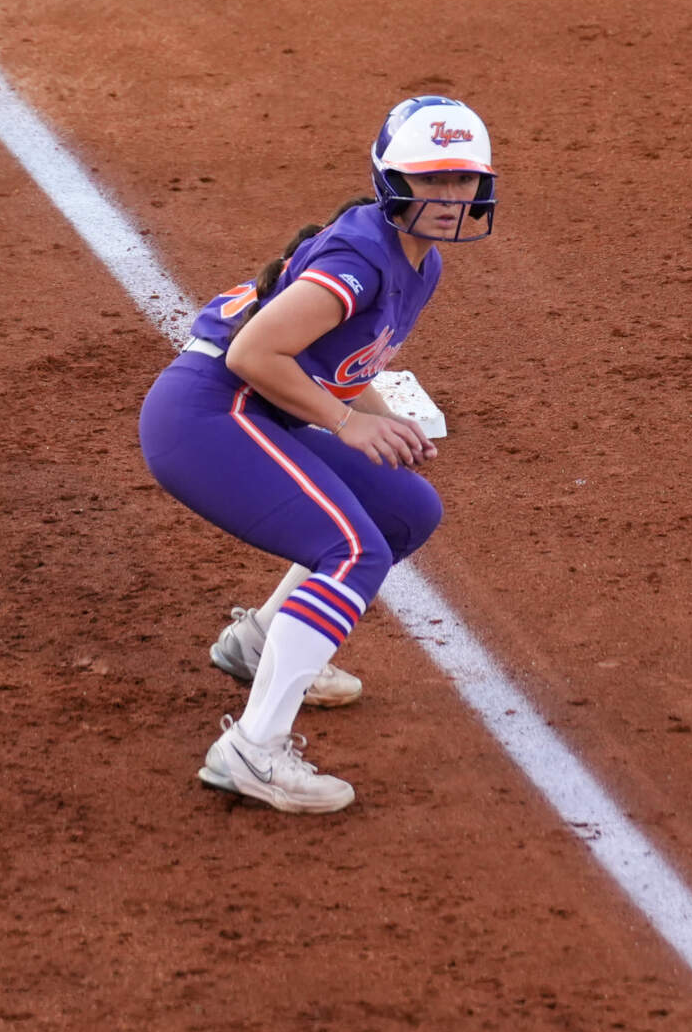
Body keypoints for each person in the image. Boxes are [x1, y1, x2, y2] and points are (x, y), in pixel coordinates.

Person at [137, 96, 497, 813]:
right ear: (392, 181)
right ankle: (253, 751)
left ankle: (261, 640)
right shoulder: (360, 258)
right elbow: (251, 353)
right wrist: (345, 423)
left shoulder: (420, 264)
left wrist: (383, 421)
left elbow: (343, 362)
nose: (450, 197)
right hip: (208, 413)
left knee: (405, 510)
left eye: (462, 179)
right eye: (431, 180)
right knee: (353, 551)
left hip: (256, 409)